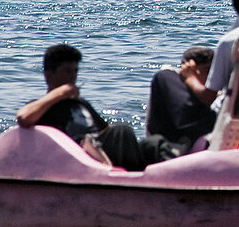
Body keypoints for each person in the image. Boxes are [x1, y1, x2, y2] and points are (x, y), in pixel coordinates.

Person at [16, 44, 154, 171]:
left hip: (99, 151)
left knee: (154, 143)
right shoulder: (40, 106)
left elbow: (106, 132)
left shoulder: (81, 104)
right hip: (75, 156)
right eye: (67, 71)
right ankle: (137, 180)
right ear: (48, 74)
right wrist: (60, 93)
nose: (73, 77)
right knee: (122, 131)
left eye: (75, 71)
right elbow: (23, 117)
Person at [145, 46, 216, 154]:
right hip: (172, 147)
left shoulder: (219, 90)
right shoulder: (168, 78)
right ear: (191, 70)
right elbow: (188, 120)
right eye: (207, 71)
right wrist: (192, 81)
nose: (212, 78)